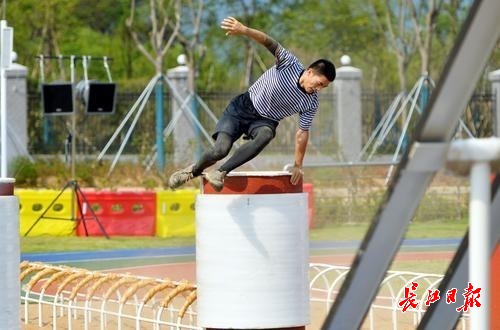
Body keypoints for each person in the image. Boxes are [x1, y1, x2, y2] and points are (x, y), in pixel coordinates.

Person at [168, 16, 336, 192]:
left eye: (323, 87)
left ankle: (220, 172)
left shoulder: (311, 102)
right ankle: (192, 171)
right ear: (309, 72)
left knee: (266, 134)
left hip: (265, 121)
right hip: (242, 108)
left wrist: (297, 165)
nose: (319, 89)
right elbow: (268, 42)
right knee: (220, 150)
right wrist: (244, 30)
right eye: (319, 83)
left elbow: (302, 133)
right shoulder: (290, 63)